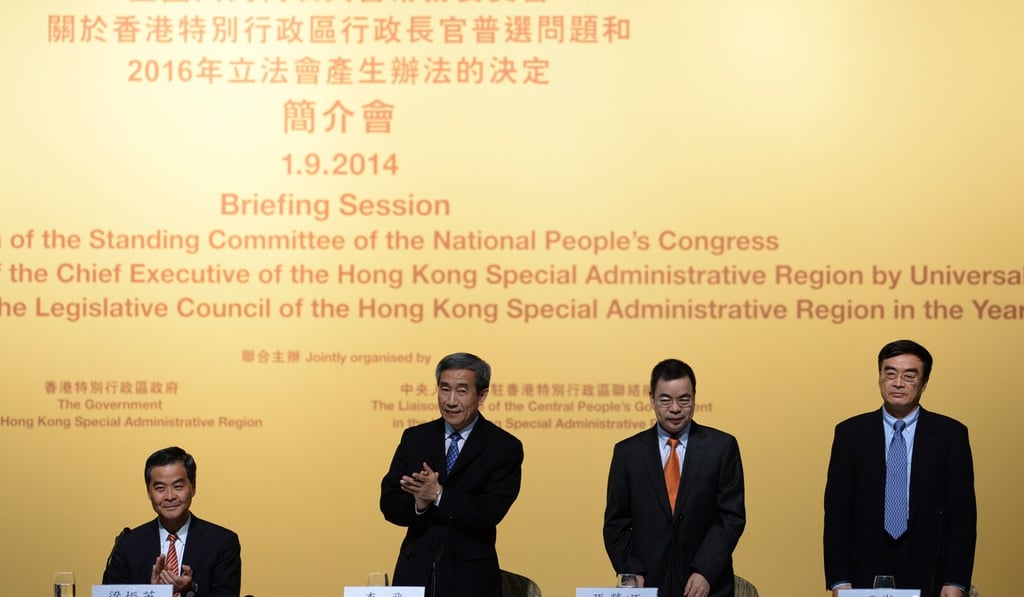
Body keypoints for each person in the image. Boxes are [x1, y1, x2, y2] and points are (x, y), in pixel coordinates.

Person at [824, 340, 977, 596]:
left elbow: (962, 516)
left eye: (909, 376)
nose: (897, 383)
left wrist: (955, 580)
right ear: (879, 377)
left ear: (924, 383)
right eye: (890, 373)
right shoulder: (850, 433)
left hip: (929, 569)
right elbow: (837, 513)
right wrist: (839, 580)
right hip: (863, 568)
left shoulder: (951, 435)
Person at [380, 352, 524, 597]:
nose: (450, 400)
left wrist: (439, 495)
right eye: (444, 389)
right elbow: (389, 502)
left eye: (461, 391)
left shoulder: (503, 447)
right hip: (416, 573)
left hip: (471, 577)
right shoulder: (415, 438)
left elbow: (490, 512)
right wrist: (419, 503)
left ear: (482, 395)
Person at [604, 358, 746, 597]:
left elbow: (731, 517)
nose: (675, 408)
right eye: (665, 399)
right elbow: (615, 523)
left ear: (694, 398)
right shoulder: (628, 453)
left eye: (684, 399)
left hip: (705, 586)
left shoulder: (721, 448)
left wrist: (706, 571)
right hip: (646, 584)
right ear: (651, 399)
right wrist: (630, 570)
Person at [102, 446, 242, 597]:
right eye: (160, 488)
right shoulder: (128, 544)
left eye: (178, 486)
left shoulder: (222, 542)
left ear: (193, 487)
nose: (170, 496)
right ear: (149, 492)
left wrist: (190, 589)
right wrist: (153, 593)